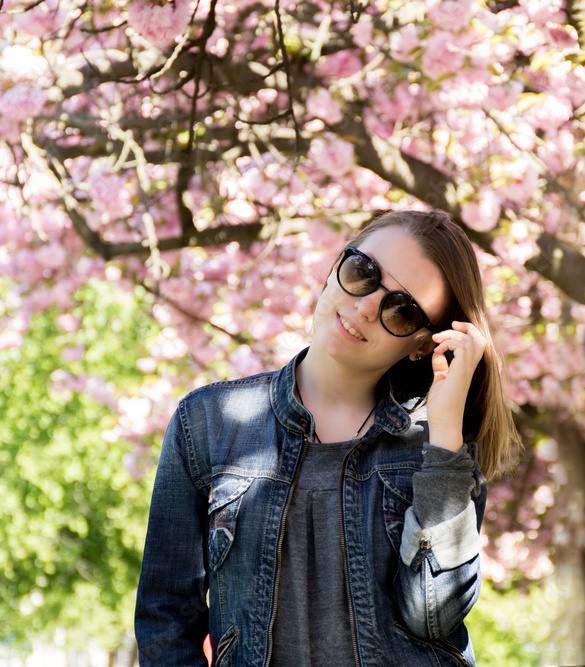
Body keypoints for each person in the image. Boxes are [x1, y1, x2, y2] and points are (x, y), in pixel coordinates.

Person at [135, 209, 519, 666]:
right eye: (363, 271)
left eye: (402, 310)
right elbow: (166, 618)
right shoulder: (208, 421)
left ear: (423, 344)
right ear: (338, 263)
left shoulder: (440, 449)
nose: (367, 307)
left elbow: (433, 616)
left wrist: (446, 436)